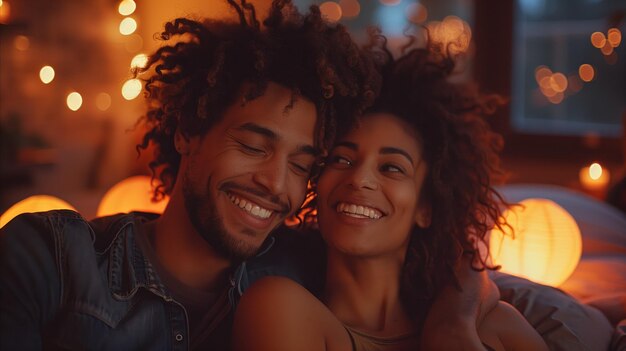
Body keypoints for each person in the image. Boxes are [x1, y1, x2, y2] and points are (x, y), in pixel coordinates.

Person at [0, 1, 494, 350]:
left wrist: (451, 328)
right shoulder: (49, 257)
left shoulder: (304, 263)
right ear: (189, 133)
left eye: (302, 165)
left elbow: (456, 265)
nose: (275, 184)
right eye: (254, 146)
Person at [232, 35, 549, 350]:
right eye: (342, 159)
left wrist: (451, 326)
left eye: (392, 167)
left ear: (427, 207)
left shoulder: (495, 329)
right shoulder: (280, 308)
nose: (359, 179)